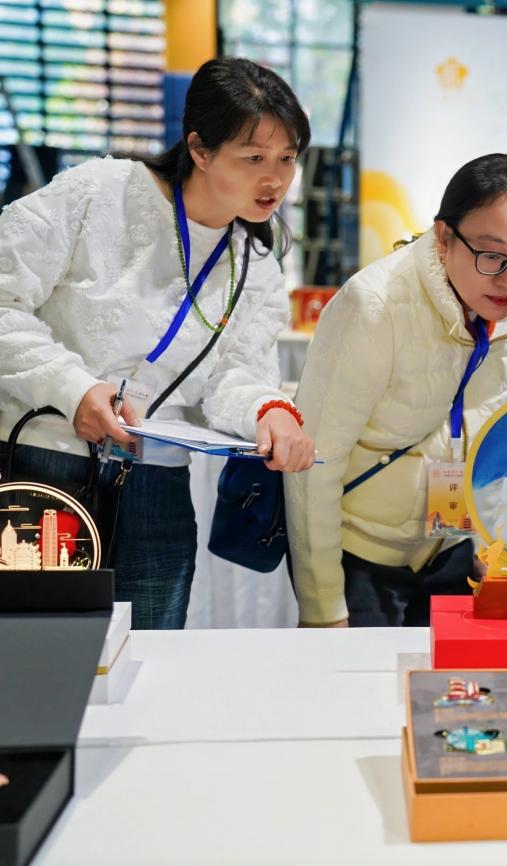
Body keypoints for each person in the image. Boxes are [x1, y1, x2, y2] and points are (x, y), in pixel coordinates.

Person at [0, 57, 315, 629]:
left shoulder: (256, 264)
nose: (274, 179)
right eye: (254, 158)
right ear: (199, 149)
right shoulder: (100, 193)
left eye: (288, 158)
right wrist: (74, 389)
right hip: (47, 461)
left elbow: (236, 375)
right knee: (37, 651)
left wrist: (270, 410)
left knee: (151, 654)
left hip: (156, 483)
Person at [286, 154, 507, 627]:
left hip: (451, 546)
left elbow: (491, 440)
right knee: (364, 676)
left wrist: (489, 546)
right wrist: (323, 606)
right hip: (361, 557)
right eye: (491, 255)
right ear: (444, 236)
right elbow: (316, 462)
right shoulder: (374, 306)